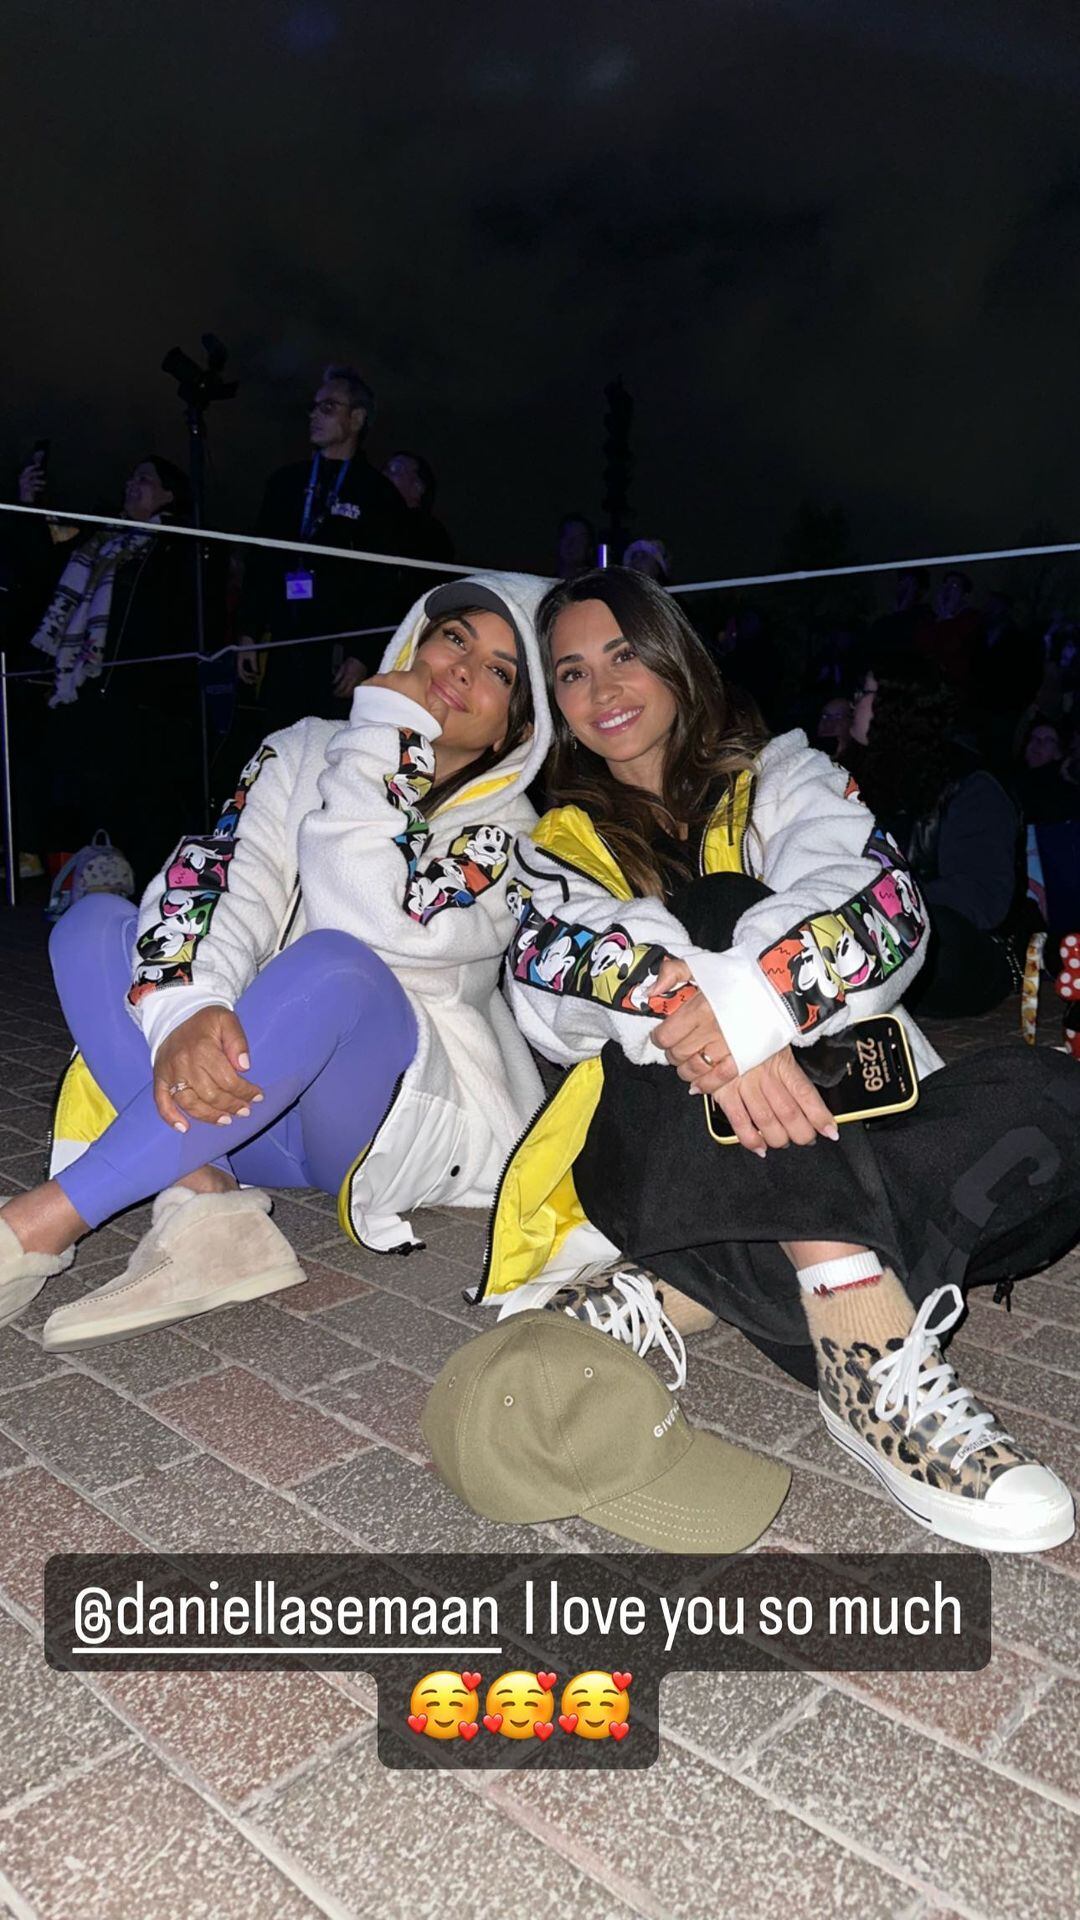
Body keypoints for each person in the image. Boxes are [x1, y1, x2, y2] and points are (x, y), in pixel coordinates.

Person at [488, 568, 1078, 1553]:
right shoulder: (549, 845)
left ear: (677, 660)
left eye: (626, 654)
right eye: (573, 674)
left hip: (849, 1135)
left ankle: (684, 1288)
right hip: (651, 1154)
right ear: (556, 707)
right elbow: (552, 967)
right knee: (711, 914)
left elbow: (884, 906)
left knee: (1054, 1091)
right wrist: (702, 1012)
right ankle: (867, 1347)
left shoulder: (788, 776)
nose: (604, 689)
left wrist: (757, 1007)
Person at [0, 574, 550, 1353]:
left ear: (513, 732)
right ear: (415, 643)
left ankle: (34, 1228)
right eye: (455, 637)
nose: (463, 668)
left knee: (336, 964)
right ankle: (206, 1197)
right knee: (92, 928)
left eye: (499, 671)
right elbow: (222, 877)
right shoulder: (300, 748)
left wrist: (385, 736)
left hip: (377, 1122)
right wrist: (192, 1011)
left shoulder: (516, 838)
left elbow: (376, 921)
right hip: (240, 1103)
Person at [4, 454, 212, 888]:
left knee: (141, 804)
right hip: (86, 687)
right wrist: (28, 504)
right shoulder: (98, 540)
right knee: (80, 796)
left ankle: (149, 894)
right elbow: (40, 568)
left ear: (169, 495)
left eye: (145, 479)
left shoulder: (178, 544)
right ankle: (83, 887)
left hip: (144, 697)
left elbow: (189, 616)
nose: (131, 483)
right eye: (131, 476)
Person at [847, 654, 1026, 1017]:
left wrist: (881, 904)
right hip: (879, 942)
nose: (854, 702)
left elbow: (981, 897)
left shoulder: (968, 786)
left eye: (863, 693)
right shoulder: (855, 784)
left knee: (937, 935)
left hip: (968, 953)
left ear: (895, 707)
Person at [236, 365, 411, 729]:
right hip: (283, 637)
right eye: (314, 407)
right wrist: (248, 632)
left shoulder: (377, 493)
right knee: (271, 740)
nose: (315, 415)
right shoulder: (286, 483)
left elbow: (385, 583)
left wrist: (362, 654)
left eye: (328, 407)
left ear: (357, 418)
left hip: (336, 652)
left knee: (325, 747)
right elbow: (261, 562)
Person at [916, 569, 983, 698]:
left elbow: (953, 646)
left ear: (964, 594)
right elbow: (923, 646)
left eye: (954, 586)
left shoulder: (972, 618)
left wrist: (946, 617)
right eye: (945, 585)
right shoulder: (931, 617)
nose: (947, 591)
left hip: (958, 689)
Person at [383, 451, 455, 563]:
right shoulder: (372, 517)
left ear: (418, 487)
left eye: (395, 469)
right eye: (386, 468)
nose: (385, 474)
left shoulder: (430, 534)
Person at [555, 514, 596, 580]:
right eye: (566, 537)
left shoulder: (595, 585)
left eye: (579, 540)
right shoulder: (545, 585)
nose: (571, 543)